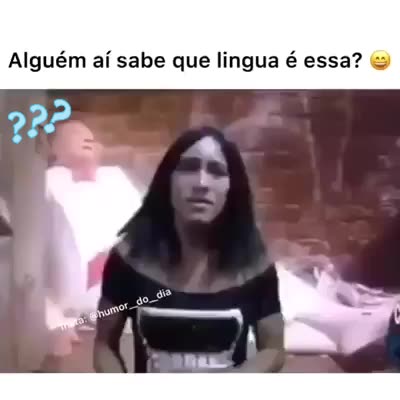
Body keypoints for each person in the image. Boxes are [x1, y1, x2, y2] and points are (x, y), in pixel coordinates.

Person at [93, 126, 285, 373]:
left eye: (217, 171)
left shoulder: (255, 267)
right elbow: (104, 344)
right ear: (167, 179)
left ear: (232, 187)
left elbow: (273, 349)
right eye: (189, 167)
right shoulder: (129, 260)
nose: (202, 183)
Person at [45, 120, 142, 358]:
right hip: (74, 327)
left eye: (91, 137)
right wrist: (52, 322)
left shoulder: (119, 182)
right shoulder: (44, 185)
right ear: (55, 150)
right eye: (75, 133)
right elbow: (23, 263)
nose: (87, 138)